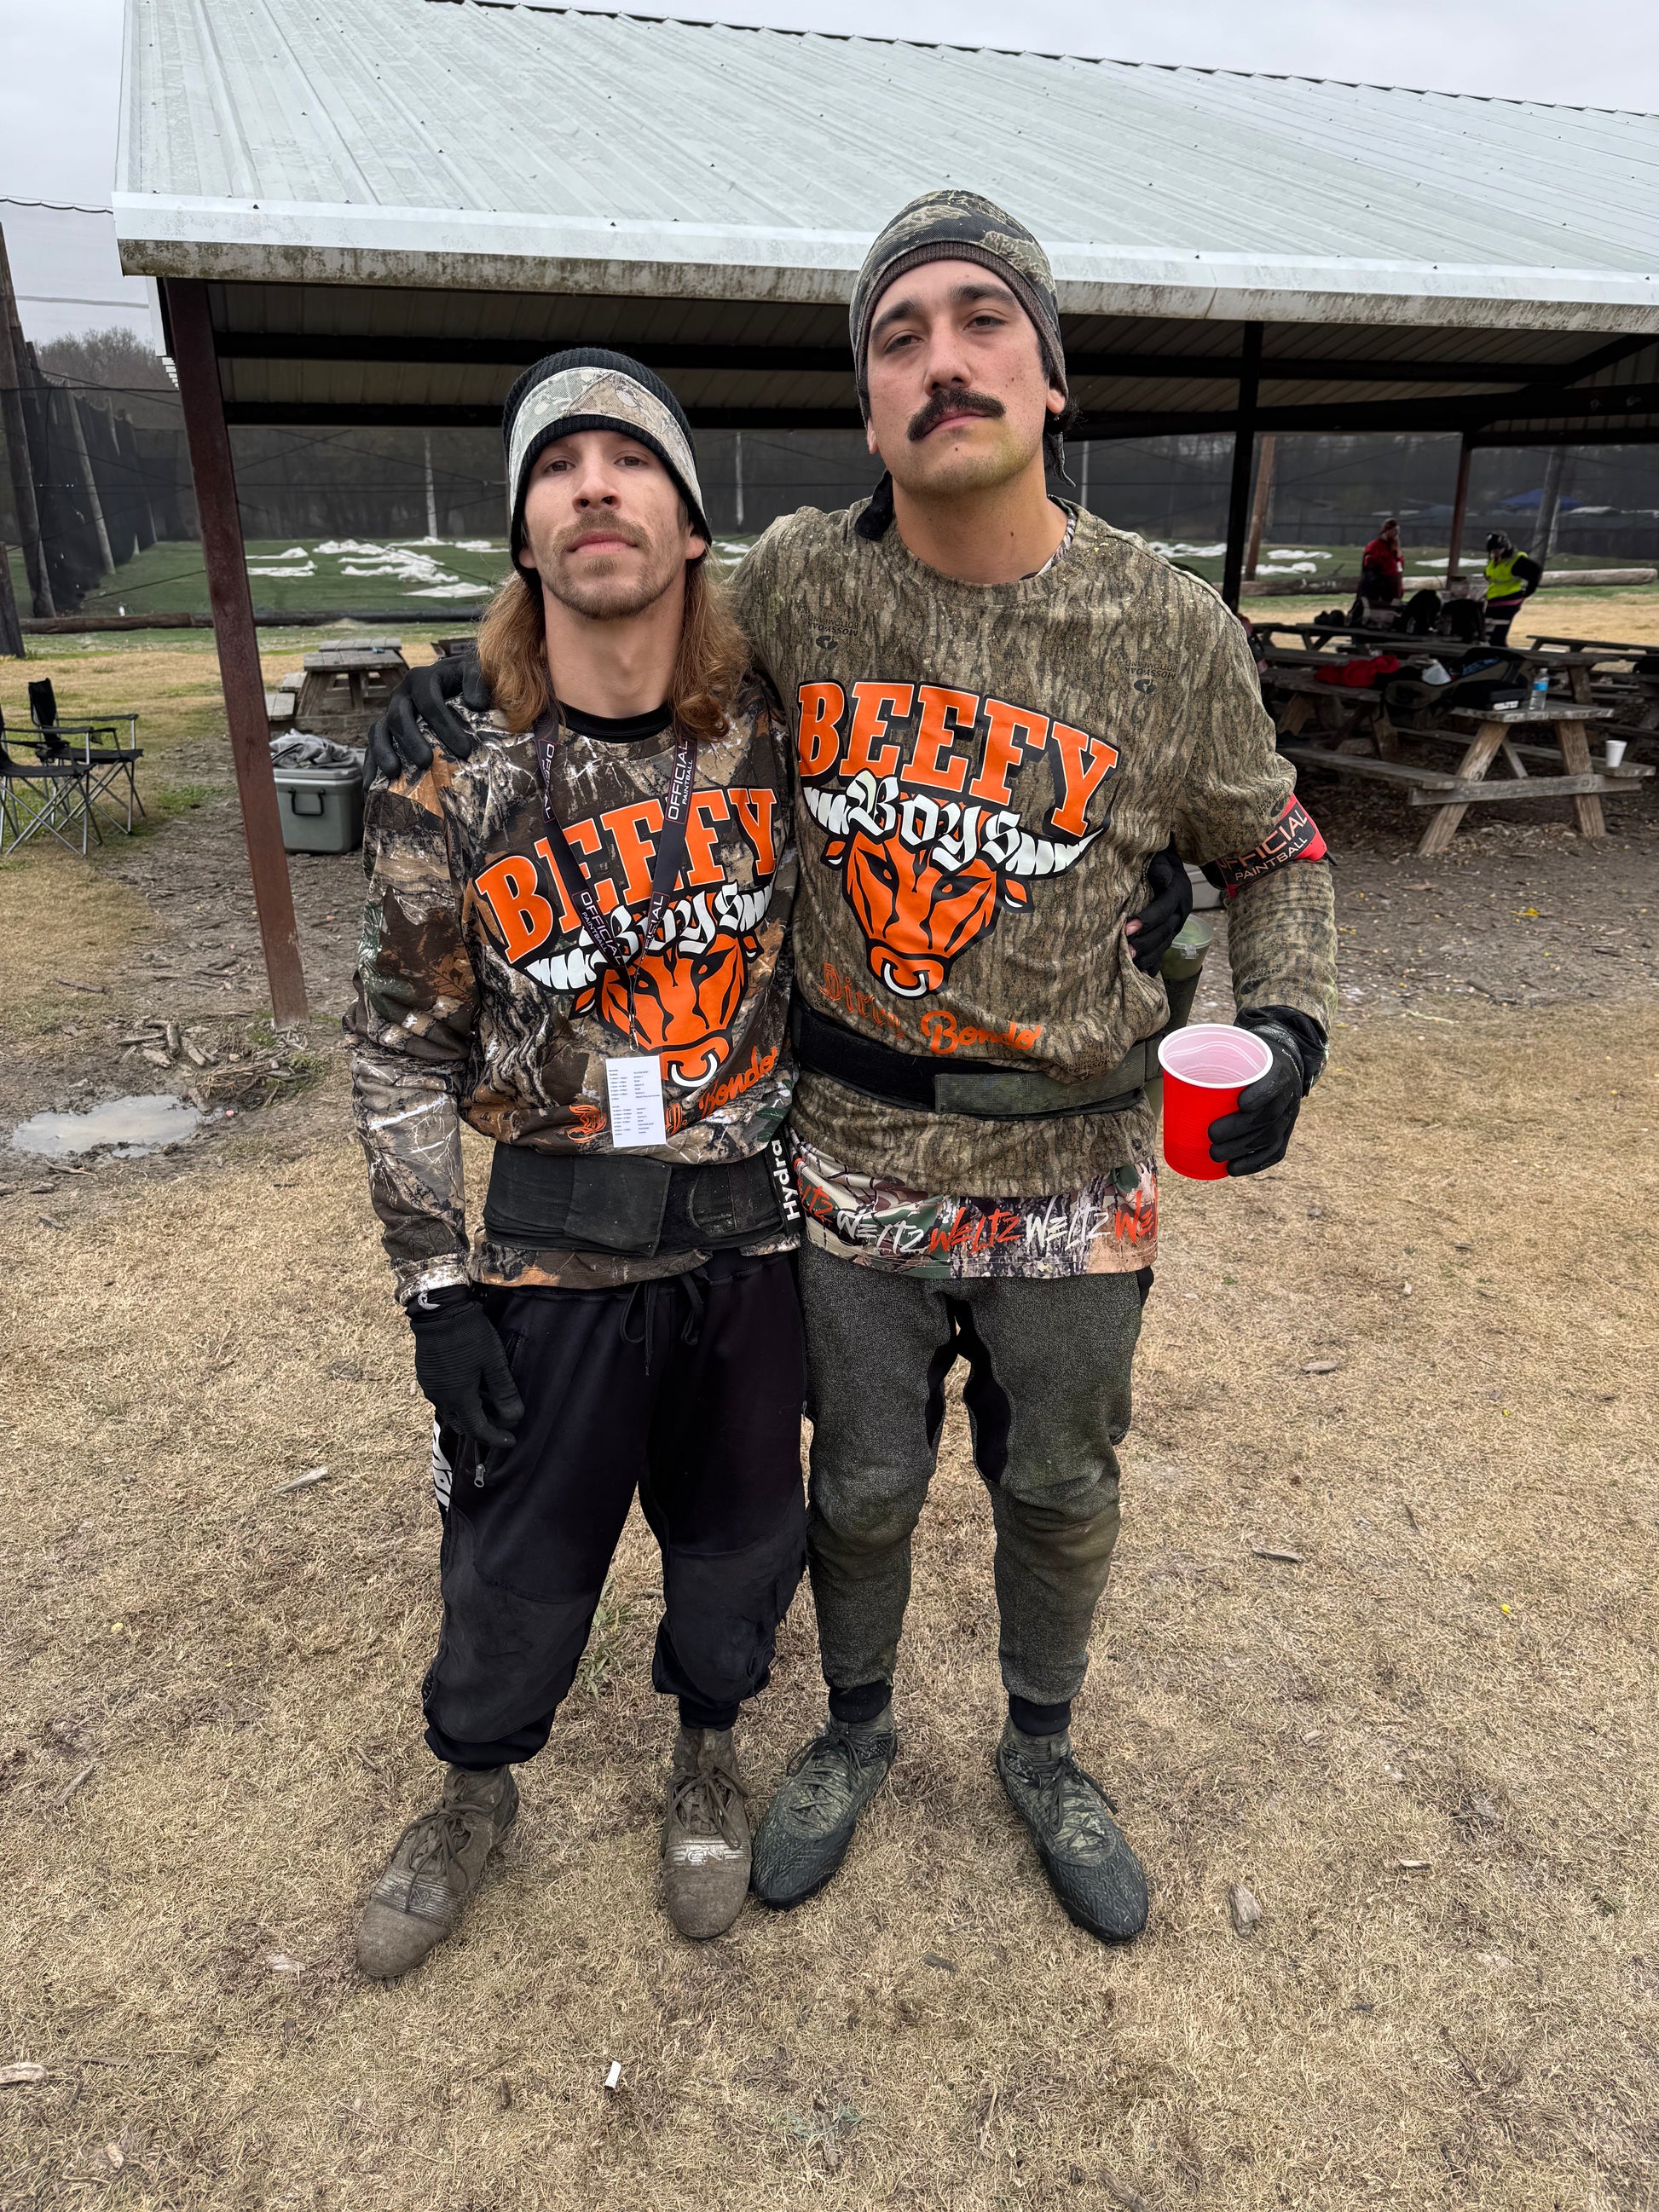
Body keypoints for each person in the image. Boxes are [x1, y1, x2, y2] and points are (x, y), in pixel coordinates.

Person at [372, 191, 1335, 1949]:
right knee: (861, 1489)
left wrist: (1287, 1024)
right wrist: (461, 679)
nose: (941, 361)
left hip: (1075, 1165)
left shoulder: (1167, 629)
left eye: (981, 321)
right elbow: (621, 617)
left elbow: (1273, 848)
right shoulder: (804, 585)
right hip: (847, 1160)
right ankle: (853, 1728)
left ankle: (1043, 1749)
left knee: (1061, 1484)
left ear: (1051, 376)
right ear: (867, 401)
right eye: (899, 336)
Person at [346, 350, 809, 1975]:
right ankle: (474, 1789)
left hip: (750, 1235)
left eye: (631, 461)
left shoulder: (781, 735)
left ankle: (709, 1753)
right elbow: (402, 1040)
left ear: (692, 525)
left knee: (741, 1539)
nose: (594, 485)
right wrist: (433, 1292)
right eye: (557, 466)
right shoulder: (449, 770)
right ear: (524, 534)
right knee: (514, 1564)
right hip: (550, 1241)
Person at [1483, 531, 1542, 644]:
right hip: (1493, 601)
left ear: (1505, 548)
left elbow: (1535, 571)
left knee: (1497, 637)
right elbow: (1488, 576)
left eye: (1498, 550)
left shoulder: (1516, 561)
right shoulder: (1492, 560)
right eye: (1492, 550)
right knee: (1487, 635)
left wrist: (1528, 592)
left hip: (1509, 602)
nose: (1495, 552)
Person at [1353, 517, 1404, 623]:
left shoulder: (1394, 549)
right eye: (1393, 531)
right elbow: (1371, 569)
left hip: (1391, 588)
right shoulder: (1375, 546)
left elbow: (1398, 567)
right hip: (1376, 588)